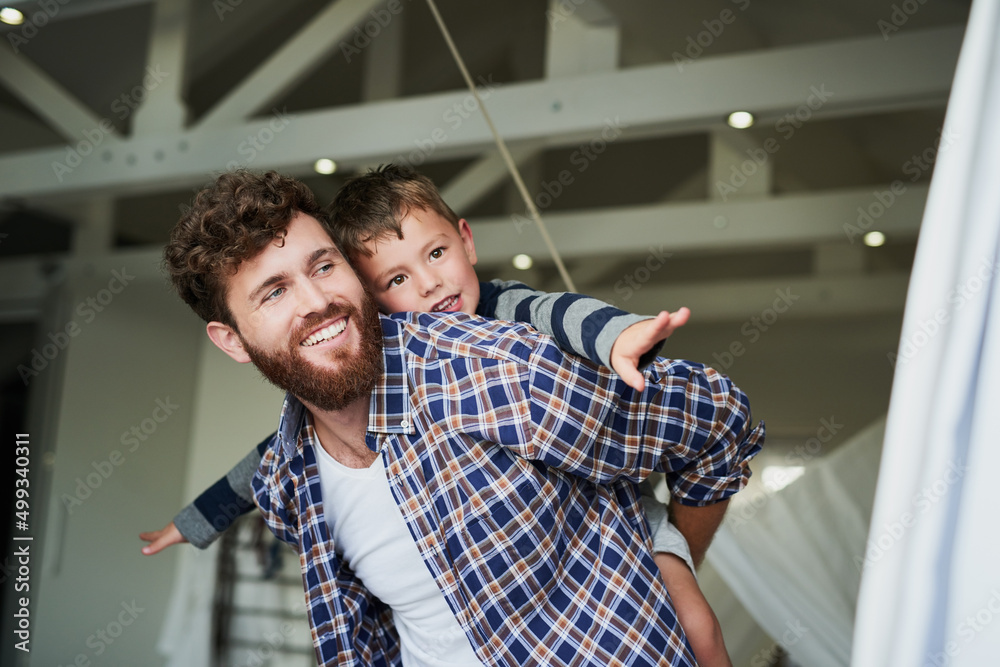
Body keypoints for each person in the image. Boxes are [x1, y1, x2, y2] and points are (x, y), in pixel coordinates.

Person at [153, 168, 764, 665]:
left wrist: (674, 555)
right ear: (231, 341)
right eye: (275, 291)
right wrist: (193, 522)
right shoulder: (288, 482)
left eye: (321, 266)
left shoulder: (493, 366)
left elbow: (716, 420)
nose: (317, 301)